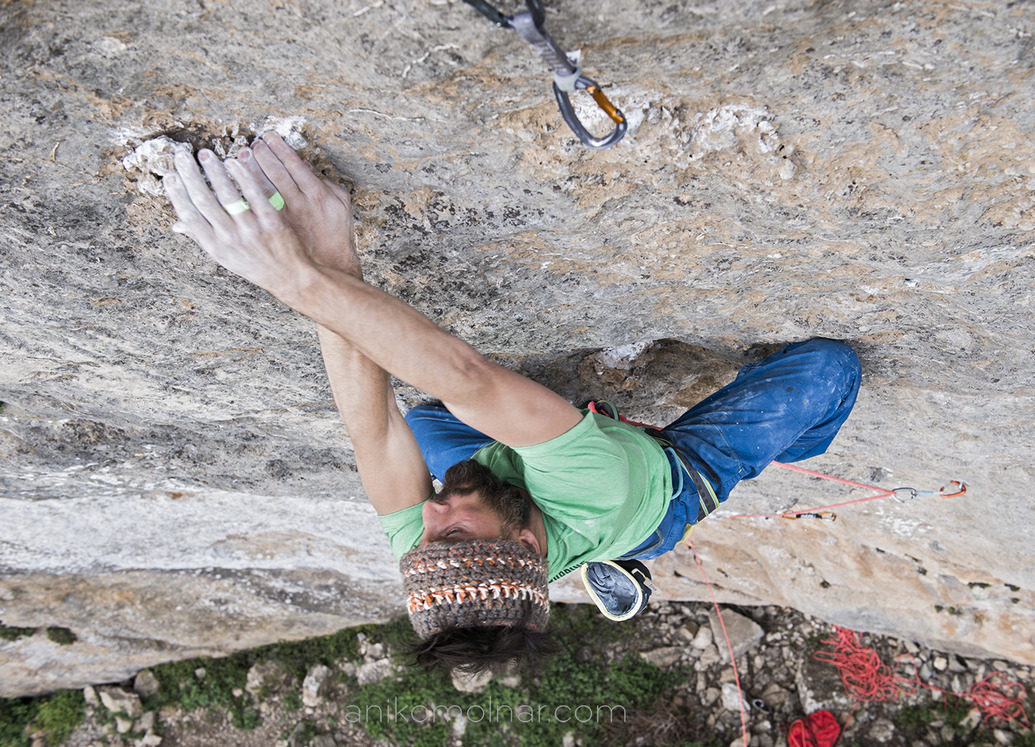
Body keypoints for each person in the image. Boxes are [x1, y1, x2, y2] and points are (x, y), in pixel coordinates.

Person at [163, 132, 862, 673]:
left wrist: (328, 253)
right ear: (526, 543)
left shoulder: (433, 556)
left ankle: (546, 453)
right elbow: (470, 376)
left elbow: (372, 430)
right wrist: (293, 280)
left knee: (422, 422)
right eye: (455, 531)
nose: (428, 512)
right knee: (829, 370)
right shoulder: (598, 494)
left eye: (427, 535)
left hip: (513, 473)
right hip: (661, 488)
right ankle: (785, 449)